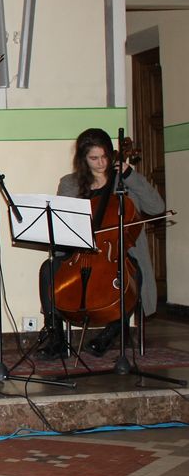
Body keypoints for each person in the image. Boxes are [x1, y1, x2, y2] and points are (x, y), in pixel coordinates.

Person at [35, 128, 164, 358]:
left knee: (132, 272)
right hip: (79, 253)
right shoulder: (70, 183)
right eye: (94, 158)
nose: (101, 163)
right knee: (48, 269)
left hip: (117, 254)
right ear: (83, 159)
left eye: (105, 156)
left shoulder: (125, 181)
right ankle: (56, 337)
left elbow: (157, 207)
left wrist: (130, 175)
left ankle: (113, 331)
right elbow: (62, 224)